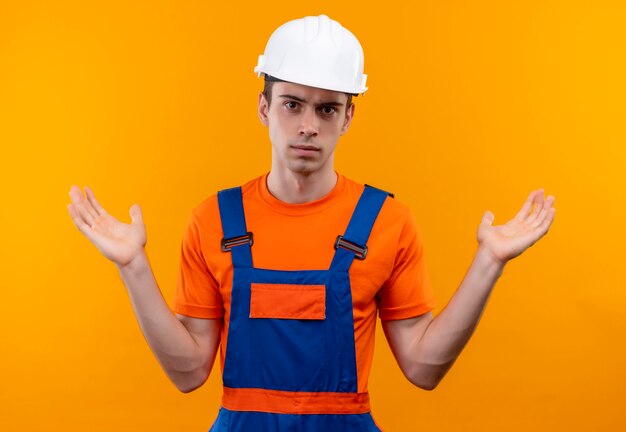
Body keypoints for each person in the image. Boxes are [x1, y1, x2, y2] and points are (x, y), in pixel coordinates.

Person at [67, 14, 556, 432]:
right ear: (264, 107)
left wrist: (489, 262)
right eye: (292, 104)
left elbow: (424, 368)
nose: (307, 125)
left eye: (327, 109)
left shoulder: (387, 222)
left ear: (347, 118)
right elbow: (189, 370)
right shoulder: (213, 220)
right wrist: (132, 266)